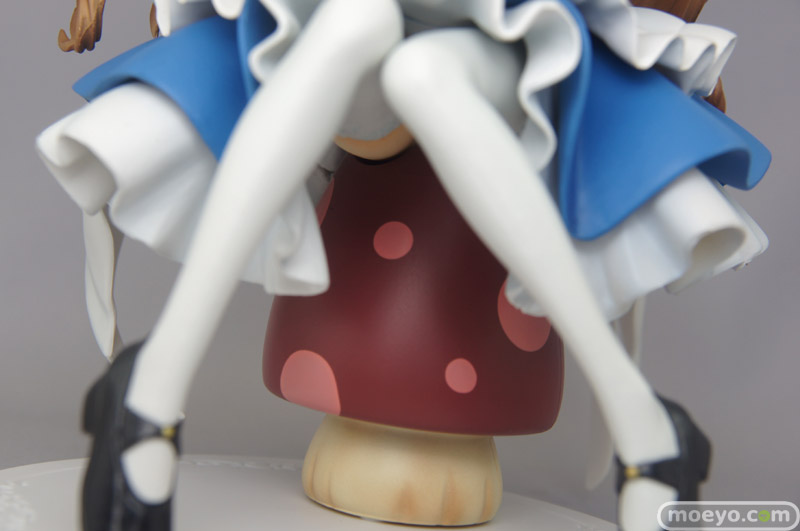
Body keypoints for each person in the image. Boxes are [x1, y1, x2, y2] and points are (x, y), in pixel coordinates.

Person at [38, 0, 770, 529]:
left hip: (498, 33)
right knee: (354, 21)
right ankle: (150, 393)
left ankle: (644, 424)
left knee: (425, 72)